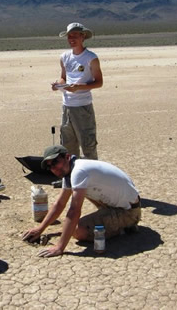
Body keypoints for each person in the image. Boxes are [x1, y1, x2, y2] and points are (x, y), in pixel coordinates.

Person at [22, 145, 141, 258]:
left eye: (55, 162)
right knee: (78, 197)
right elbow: (59, 204)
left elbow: (74, 211)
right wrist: (40, 229)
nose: (54, 168)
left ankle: (125, 227)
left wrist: (60, 247)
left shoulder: (79, 171)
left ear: (67, 157)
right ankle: (116, 221)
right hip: (119, 204)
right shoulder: (71, 170)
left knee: (78, 231)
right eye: (49, 166)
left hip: (128, 211)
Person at [52, 22, 103, 160]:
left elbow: (99, 82)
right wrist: (58, 85)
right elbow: (63, 77)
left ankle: (92, 177)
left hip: (82, 107)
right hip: (67, 106)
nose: (71, 39)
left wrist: (79, 87)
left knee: (88, 145)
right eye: (69, 36)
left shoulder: (91, 58)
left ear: (83, 36)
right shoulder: (64, 57)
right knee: (68, 146)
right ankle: (70, 179)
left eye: (75, 35)